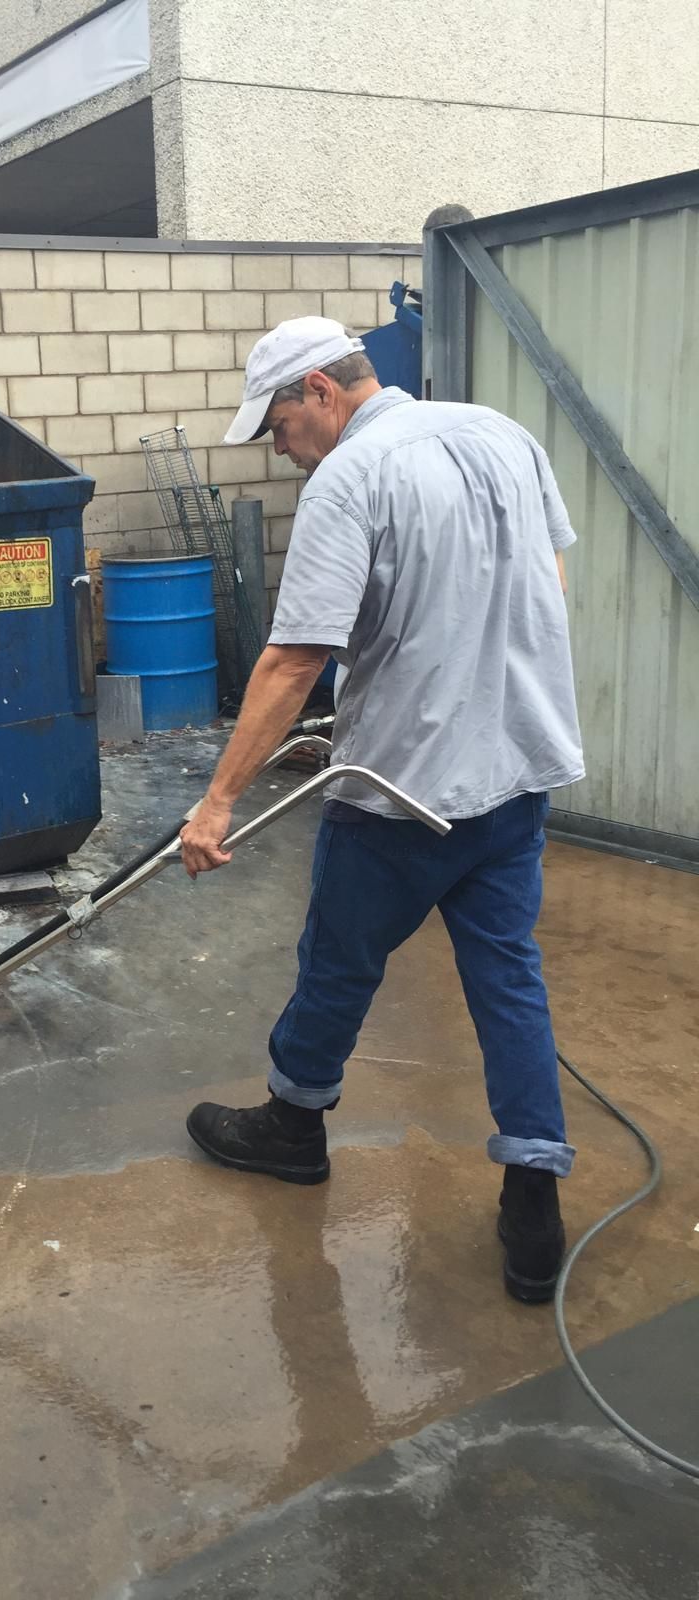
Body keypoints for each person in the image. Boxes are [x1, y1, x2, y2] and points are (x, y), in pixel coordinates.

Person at [180, 316, 585, 1303]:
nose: (279, 447)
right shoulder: (502, 434)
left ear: (319, 391)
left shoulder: (349, 482)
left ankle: (293, 1126)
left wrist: (218, 802)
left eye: (278, 423)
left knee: (337, 963)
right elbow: (550, 575)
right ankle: (534, 1201)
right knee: (508, 981)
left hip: (401, 788)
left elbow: (292, 659)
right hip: (513, 775)